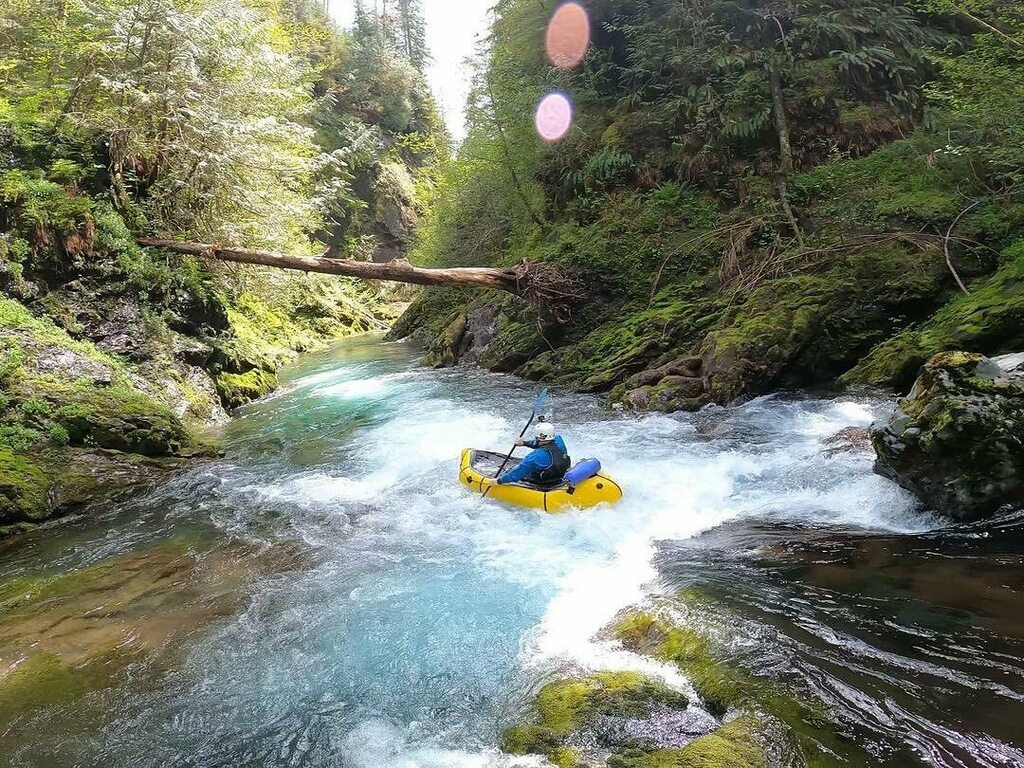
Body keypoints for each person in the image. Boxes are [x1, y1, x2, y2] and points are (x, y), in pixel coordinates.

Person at [496, 421, 571, 486]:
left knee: (514, 470)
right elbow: (541, 442)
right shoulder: (559, 440)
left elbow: (516, 475)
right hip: (559, 474)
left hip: (544, 481)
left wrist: (498, 481)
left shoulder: (535, 457)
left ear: (537, 437)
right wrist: (524, 443)